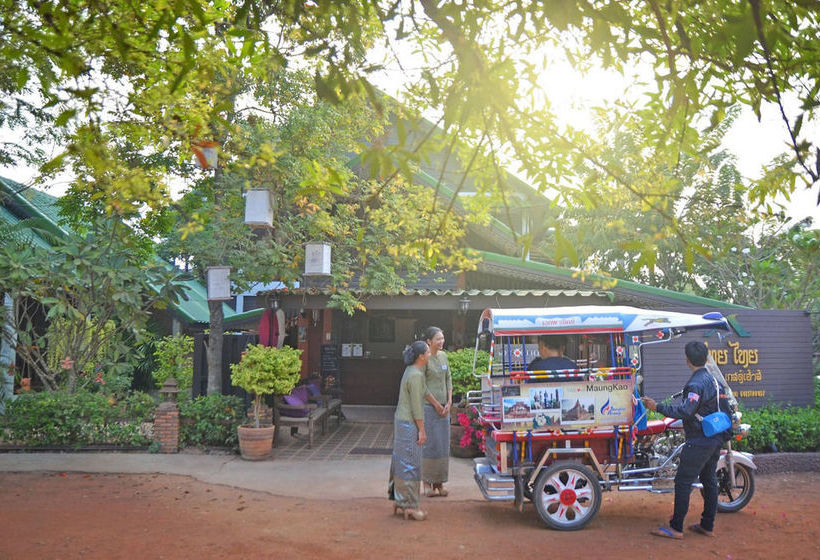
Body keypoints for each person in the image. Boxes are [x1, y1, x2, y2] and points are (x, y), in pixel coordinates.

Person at [641, 341, 727, 539]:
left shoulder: (696, 384)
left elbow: (686, 411)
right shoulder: (714, 380)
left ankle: (676, 527)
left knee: (683, 481)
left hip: (699, 439)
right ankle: (707, 525)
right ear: (706, 358)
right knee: (709, 480)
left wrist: (657, 407)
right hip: (715, 437)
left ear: (687, 360)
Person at [388, 340, 430, 521]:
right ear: (421, 356)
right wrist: (421, 430)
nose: (430, 354)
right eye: (428, 352)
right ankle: (411, 505)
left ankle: (400, 500)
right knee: (412, 463)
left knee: (401, 460)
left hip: (401, 420)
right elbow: (416, 407)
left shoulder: (410, 371)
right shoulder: (417, 375)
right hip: (410, 423)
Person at [421, 326, 452, 498]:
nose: (441, 341)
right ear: (429, 341)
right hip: (428, 408)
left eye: (442, 338)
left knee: (441, 446)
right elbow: (422, 386)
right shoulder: (424, 359)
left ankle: (439, 484)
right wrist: (436, 405)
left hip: (444, 409)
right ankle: (426, 483)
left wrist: (449, 401)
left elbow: (448, 379)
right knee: (429, 445)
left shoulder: (443, 356)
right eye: (438, 339)